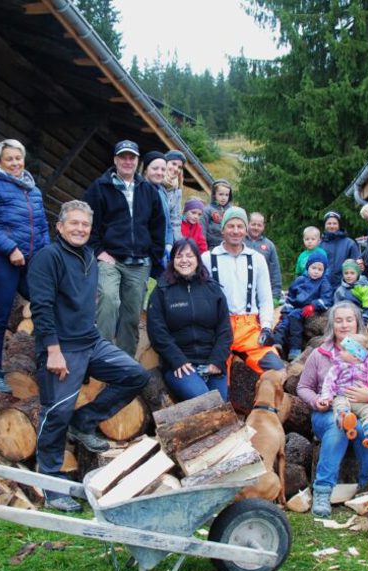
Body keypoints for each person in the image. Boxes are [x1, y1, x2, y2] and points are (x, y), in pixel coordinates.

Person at [29, 200, 150, 512]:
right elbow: (41, 307)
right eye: (74, 223)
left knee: (135, 375)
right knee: (56, 411)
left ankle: (83, 422)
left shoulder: (88, 257)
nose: (80, 229)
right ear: (60, 226)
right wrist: (53, 351)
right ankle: (51, 482)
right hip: (62, 347)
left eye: (85, 224)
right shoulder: (48, 257)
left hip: (91, 342)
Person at [298, 302, 368, 517]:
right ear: (332, 324)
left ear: (357, 323)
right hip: (328, 413)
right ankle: (322, 491)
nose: (344, 325)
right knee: (338, 428)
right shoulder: (320, 354)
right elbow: (303, 387)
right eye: (339, 320)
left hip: (363, 412)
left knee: (364, 430)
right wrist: (317, 401)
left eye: (349, 320)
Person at [0, 139, 50, 393]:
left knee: (46, 303)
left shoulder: (33, 190)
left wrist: (46, 256)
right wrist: (10, 249)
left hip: (30, 261)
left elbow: (42, 228)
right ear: (0, 162)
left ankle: (46, 363)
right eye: (10, 159)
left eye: (19, 158)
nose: (15, 163)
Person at [84, 140, 166, 357]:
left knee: (131, 316)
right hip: (110, 258)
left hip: (139, 263)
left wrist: (153, 256)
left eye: (132, 157)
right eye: (123, 157)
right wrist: (98, 251)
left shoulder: (148, 190)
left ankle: (124, 363)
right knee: (109, 300)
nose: (127, 161)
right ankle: (100, 356)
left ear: (137, 161)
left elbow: (158, 226)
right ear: (115, 160)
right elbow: (87, 222)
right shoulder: (100, 188)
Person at [146, 238, 233, 401]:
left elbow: (225, 330)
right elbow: (157, 331)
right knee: (207, 402)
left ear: (198, 260)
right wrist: (176, 360)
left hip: (212, 363)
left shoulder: (213, 289)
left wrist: (217, 361)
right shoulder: (162, 290)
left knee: (221, 404)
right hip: (181, 366)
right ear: (172, 261)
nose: (184, 260)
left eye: (189, 256)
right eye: (179, 256)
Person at [202, 207, 285, 375]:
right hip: (217, 329)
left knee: (276, 370)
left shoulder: (257, 259)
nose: (235, 231)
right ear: (223, 229)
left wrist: (267, 327)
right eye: (230, 226)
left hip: (248, 329)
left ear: (246, 230)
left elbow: (265, 299)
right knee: (216, 385)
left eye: (240, 226)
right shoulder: (207, 258)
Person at [319, 334, 368, 447]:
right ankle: (344, 417)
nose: (340, 352)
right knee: (339, 403)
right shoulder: (338, 367)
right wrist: (326, 397)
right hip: (343, 395)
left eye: (344, 350)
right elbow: (328, 383)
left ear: (355, 356)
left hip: (362, 402)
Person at [275, 249, 332, 361]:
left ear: (324, 270)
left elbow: (327, 299)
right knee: (284, 321)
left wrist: (314, 306)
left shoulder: (323, 282)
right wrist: (286, 309)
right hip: (295, 307)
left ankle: (295, 349)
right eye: (313, 268)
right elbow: (291, 295)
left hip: (310, 310)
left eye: (320, 269)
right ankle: (276, 343)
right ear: (308, 267)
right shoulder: (300, 280)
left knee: (295, 318)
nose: (316, 271)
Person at [246, 212, 283, 304]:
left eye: (259, 225)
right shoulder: (240, 242)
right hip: (243, 290)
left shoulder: (269, 245)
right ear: (247, 224)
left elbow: (275, 271)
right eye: (253, 224)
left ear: (263, 227)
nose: (256, 227)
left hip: (262, 291)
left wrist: (276, 295)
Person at [320, 211, 363, 288]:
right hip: (323, 284)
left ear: (339, 225)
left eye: (334, 223)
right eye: (329, 223)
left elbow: (357, 265)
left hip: (344, 285)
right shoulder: (319, 244)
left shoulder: (349, 243)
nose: (332, 226)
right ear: (325, 225)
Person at [203, 179, 233, 249]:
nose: (224, 197)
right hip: (211, 247)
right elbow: (202, 231)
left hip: (229, 246)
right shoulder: (207, 210)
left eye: (226, 195)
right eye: (221, 194)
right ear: (214, 195)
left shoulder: (231, 211)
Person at [164, 149, 186, 243]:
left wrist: (178, 244)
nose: (176, 169)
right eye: (173, 164)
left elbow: (175, 220)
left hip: (166, 237)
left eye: (179, 167)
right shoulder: (153, 181)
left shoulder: (176, 190)